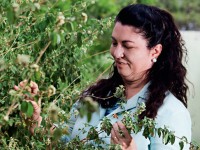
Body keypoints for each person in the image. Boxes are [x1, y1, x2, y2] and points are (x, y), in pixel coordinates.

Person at [16, 4, 191, 150]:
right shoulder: (95, 95)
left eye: (127, 46)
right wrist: (35, 119)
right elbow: (62, 141)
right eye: (114, 43)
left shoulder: (171, 112)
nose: (117, 53)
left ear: (155, 51)